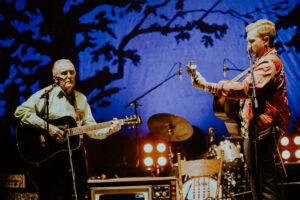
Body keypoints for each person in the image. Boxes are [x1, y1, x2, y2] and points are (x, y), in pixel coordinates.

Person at [186, 19, 289, 200]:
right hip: (257, 133)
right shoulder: (262, 63)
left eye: (251, 41)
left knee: (266, 190)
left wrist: (208, 86)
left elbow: (245, 89)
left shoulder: (269, 64)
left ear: (265, 40)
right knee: (258, 187)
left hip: (264, 134)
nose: (247, 45)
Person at [15, 59, 122, 200]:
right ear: (55, 77)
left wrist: (109, 130)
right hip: (52, 157)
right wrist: (48, 127)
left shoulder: (81, 99)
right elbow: (20, 112)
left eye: (71, 72)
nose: (69, 76)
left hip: (77, 155)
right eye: (64, 73)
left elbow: (91, 128)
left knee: (78, 193)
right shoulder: (46, 95)